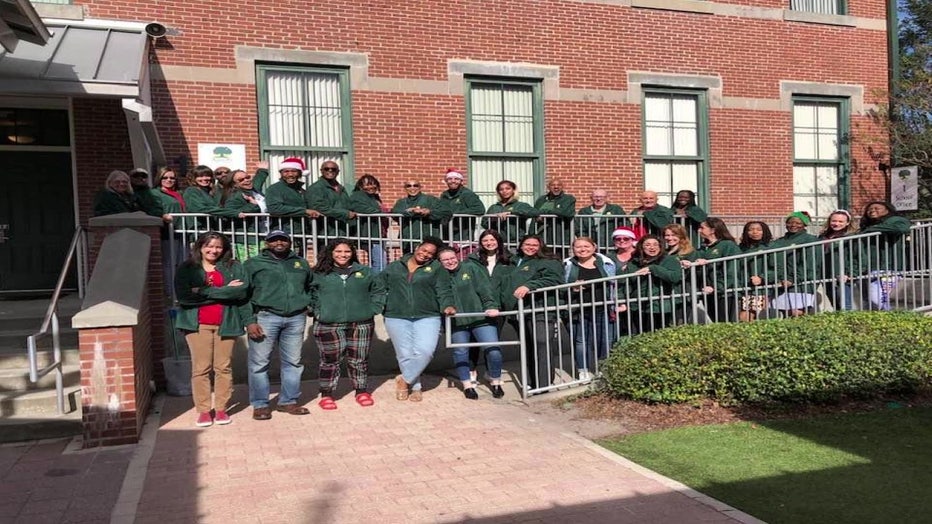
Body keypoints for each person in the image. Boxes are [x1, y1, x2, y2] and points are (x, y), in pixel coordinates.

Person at [174, 232, 248, 427]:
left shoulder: (233, 267)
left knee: (223, 367)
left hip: (226, 323)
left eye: (218, 247)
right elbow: (184, 297)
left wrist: (203, 291)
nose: (213, 250)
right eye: (209, 246)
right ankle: (204, 410)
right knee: (201, 368)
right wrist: (225, 292)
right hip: (197, 325)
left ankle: (222, 408)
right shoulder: (187, 268)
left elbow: (240, 292)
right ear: (200, 246)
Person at [240, 230, 314, 420]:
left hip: (296, 318)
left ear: (290, 242)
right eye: (274, 240)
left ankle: (288, 401)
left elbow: (311, 287)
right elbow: (243, 295)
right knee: (259, 364)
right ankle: (260, 404)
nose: (279, 243)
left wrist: (310, 305)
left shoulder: (300, 263)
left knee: (293, 363)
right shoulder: (253, 264)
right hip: (265, 317)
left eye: (283, 239)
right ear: (267, 243)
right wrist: (249, 321)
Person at [309, 239, 386, 409]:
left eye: (347, 252)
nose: (342, 255)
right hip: (328, 323)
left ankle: (361, 391)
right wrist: (316, 311)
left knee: (359, 359)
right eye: (338, 251)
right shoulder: (319, 273)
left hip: (361, 323)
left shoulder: (365, 272)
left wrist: (373, 308)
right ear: (330, 253)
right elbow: (309, 293)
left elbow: (379, 290)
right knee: (330, 360)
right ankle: (327, 394)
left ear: (353, 253)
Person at [380, 237, 452, 402]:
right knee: (405, 354)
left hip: (428, 315)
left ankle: (403, 380)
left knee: (426, 351)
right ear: (417, 247)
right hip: (396, 315)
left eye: (430, 254)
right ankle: (416, 387)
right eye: (424, 250)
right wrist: (379, 305)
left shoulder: (436, 269)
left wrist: (447, 305)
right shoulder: (394, 267)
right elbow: (379, 286)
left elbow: (444, 290)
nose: (425, 254)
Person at [437, 248, 504, 400]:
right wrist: (446, 307)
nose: (450, 261)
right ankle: (467, 385)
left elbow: (484, 289)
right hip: (457, 321)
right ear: (440, 262)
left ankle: (495, 380)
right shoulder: (439, 276)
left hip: (480, 318)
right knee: (460, 352)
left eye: (452, 258)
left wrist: (490, 306)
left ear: (457, 257)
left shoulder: (471, 268)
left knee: (493, 349)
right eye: (445, 260)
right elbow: (441, 295)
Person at [502, 235, 563, 391]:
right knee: (528, 347)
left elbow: (555, 280)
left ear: (541, 246)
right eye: (527, 244)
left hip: (540, 309)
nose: (530, 247)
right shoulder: (515, 261)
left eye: (535, 245)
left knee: (541, 344)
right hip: (520, 311)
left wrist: (530, 285)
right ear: (521, 245)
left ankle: (544, 384)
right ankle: (532, 381)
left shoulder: (548, 261)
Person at [563, 237, 616, 381]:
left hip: (603, 307)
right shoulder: (568, 265)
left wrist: (616, 303)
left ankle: (603, 368)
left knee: (605, 340)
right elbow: (561, 286)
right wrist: (572, 288)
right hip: (578, 309)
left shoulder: (606, 263)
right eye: (578, 247)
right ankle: (583, 370)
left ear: (594, 247)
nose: (582, 249)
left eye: (586, 246)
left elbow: (614, 284)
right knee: (581, 341)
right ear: (573, 249)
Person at [467, 229, 515, 384]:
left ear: (499, 241)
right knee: (473, 341)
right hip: (476, 305)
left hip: (498, 307)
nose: (489, 243)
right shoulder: (472, 260)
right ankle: (471, 371)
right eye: (485, 240)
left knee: (493, 341)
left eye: (492, 240)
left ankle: (490, 371)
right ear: (480, 243)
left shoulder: (509, 260)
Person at [619, 235, 683, 334]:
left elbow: (674, 277)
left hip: (660, 306)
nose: (652, 247)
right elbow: (624, 283)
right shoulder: (634, 262)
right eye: (647, 245)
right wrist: (622, 301)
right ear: (641, 247)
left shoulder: (669, 260)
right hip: (637, 306)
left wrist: (653, 268)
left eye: (655, 244)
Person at [858, 201, 911, 310]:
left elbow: (902, 228)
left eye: (877, 208)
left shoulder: (896, 220)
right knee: (871, 300)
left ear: (888, 210)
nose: (872, 211)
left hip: (889, 266)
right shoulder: (866, 226)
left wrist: (871, 230)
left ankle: (887, 319)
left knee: (877, 298)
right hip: (869, 267)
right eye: (869, 209)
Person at [769, 212, 822, 317]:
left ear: (804, 225)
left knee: (797, 312)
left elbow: (809, 265)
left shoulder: (810, 240)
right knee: (785, 312)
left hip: (802, 282)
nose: (793, 225)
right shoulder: (778, 242)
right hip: (781, 283)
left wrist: (792, 279)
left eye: (798, 223)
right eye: (790, 222)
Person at [693, 217, 742, 322]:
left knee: (725, 322)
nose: (699, 231)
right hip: (708, 293)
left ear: (713, 230)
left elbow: (732, 270)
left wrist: (717, 287)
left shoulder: (728, 245)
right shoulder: (702, 248)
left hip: (725, 293)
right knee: (716, 322)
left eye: (702, 228)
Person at [151, 167, 187, 290]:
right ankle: (171, 291)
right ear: (159, 179)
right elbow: (153, 209)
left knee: (183, 262)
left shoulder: (179, 193)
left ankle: (182, 289)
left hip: (183, 232)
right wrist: (162, 216)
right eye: (165, 178)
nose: (169, 180)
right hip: (168, 232)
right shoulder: (155, 193)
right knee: (170, 263)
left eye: (172, 178)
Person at [392, 180, 451, 253]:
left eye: (415, 185)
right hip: (408, 239)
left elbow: (446, 212)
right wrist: (410, 212)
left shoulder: (431, 200)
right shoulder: (401, 202)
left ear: (420, 187)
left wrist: (429, 212)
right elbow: (394, 213)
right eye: (409, 186)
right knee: (409, 261)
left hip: (428, 239)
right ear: (405, 188)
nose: (412, 188)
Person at [348, 174, 391, 272]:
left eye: (373, 184)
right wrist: (381, 212)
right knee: (380, 263)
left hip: (379, 234)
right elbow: (360, 208)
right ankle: (377, 285)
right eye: (367, 185)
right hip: (369, 234)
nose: (370, 187)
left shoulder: (374, 198)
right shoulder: (357, 196)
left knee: (376, 262)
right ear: (360, 186)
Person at [220, 169, 265, 260]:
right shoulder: (234, 197)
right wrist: (253, 205)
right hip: (247, 239)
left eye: (247, 177)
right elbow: (230, 212)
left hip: (262, 235)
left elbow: (258, 182)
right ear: (234, 184)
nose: (246, 180)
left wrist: (263, 171)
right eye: (241, 180)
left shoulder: (254, 192)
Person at [481, 180, 542, 247]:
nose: (504, 191)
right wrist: (494, 219)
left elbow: (535, 212)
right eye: (501, 189)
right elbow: (484, 223)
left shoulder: (521, 205)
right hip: (496, 243)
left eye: (508, 188)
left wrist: (511, 213)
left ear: (513, 190)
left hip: (515, 242)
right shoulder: (493, 207)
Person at [306, 160, 356, 239]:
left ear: (338, 172)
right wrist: (345, 214)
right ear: (321, 171)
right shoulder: (316, 188)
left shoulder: (341, 188)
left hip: (343, 231)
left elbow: (349, 206)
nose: (330, 170)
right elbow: (319, 208)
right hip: (325, 233)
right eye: (326, 169)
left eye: (333, 169)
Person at [818, 210, 858, 311]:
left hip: (842, 274)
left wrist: (851, 273)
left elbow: (857, 256)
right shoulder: (823, 236)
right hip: (826, 273)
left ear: (847, 223)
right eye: (834, 221)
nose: (836, 224)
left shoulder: (852, 237)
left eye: (841, 221)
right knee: (834, 303)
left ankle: (847, 324)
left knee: (845, 303)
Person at [265, 157, 320, 227]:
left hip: (304, 231)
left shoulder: (302, 190)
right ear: (281, 173)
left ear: (300, 173)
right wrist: (305, 211)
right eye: (286, 171)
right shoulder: (274, 189)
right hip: (285, 232)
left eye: (294, 171)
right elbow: (275, 208)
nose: (290, 174)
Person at [662, 223, 700, 324]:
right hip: (668, 291)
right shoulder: (665, 252)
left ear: (681, 236)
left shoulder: (690, 252)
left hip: (684, 292)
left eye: (674, 235)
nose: (669, 238)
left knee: (681, 322)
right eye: (667, 235)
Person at [737, 221, 774, 322]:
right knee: (743, 317)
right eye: (751, 230)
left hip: (759, 288)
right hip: (742, 287)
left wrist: (762, 278)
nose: (754, 232)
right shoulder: (741, 248)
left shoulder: (770, 247)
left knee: (746, 316)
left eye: (758, 230)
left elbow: (776, 268)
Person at [439, 168, 485, 247]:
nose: (453, 181)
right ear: (446, 181)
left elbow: (480, 209)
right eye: (449, 179)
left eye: (456, 179)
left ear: (461, 181)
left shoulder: (467, 194)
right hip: (446, 234)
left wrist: (456, 214)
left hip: (463, 235)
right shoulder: (444, 195)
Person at [533, 179, 577, 254]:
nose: (556, 187)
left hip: (560, 236)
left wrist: (545, 213)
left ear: (562, 187)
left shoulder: (568, 199)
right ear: (548, 187)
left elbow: (567, 213)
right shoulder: (541, 199)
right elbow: (535, 212)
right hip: (542, 234)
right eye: (553, 185)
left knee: (560, 258)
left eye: (559, 185)